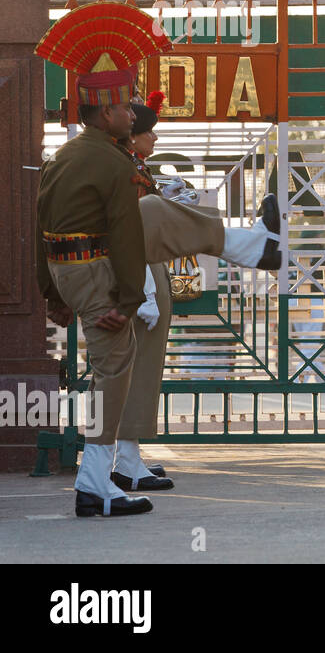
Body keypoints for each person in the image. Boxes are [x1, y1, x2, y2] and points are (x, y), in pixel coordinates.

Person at [36, 3, 285, 517]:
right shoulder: (109, 161)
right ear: (105, 113)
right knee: (112, 371)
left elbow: (43, 230)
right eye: (126, 107)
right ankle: (94, 486)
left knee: (115, 366)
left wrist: (54, 296)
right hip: (97, 274)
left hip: (75, 271)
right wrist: (128, 299)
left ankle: (253, 246)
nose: (133, 113)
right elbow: (127, 236)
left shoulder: (66, 157)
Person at [112, 90, 176, 493]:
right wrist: (147, 290)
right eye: (148, 132)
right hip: (139, 273)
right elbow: (130, 234)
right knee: (137, 367)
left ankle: (127, 454)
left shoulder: (134, 167)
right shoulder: (126, 171)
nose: (154, 139)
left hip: (144, 269)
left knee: (139, 367)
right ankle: (125, 460)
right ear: (131, 135)